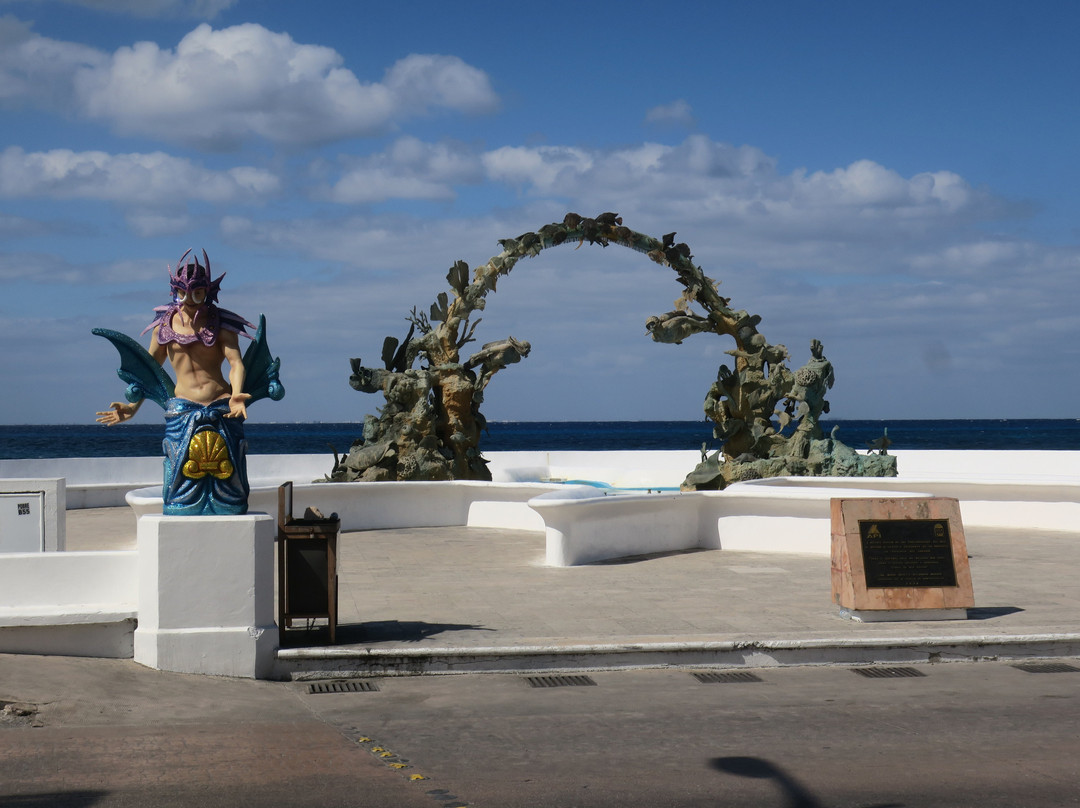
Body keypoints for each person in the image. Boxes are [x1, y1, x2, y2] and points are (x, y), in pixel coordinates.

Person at [96, 249, 258, 515]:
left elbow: (236, 363)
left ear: (207, 291)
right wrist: (131, 407)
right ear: (174, 291)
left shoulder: (223, 324)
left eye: (196, 293)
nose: (189, 300)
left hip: (222, 407)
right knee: (178, 480)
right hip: (181, 410)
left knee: (230, 478)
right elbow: (149, 371)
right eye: (182, 293)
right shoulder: (163, 326)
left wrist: (237, 395)